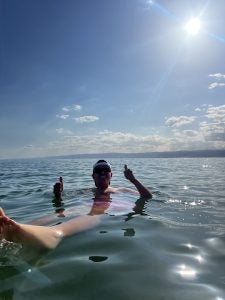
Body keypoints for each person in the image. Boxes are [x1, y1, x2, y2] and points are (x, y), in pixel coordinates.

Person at [0, 161, 151, 251]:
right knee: (62, 213)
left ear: (111, 176)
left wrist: (133, 180)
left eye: (106, 171)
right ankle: (13, 230)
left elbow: (147, 197)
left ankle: (54, 234)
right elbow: (61, 202)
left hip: (105, 209)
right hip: (83, 207)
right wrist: (58, 195)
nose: (103, 173)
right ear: (93, 176)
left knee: (96, 212)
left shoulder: (121, 190)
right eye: (98, 171)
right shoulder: (86, 191)